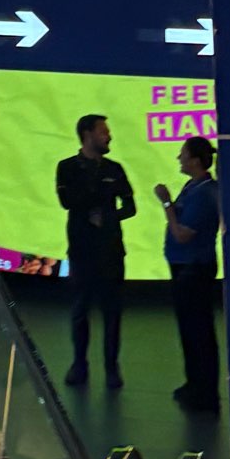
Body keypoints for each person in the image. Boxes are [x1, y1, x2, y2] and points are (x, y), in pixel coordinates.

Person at [55, 113, 134, 388]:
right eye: (103, 132)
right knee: (80, 309)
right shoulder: (67, 167)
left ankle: (112, 367)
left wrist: (108, 217)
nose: (109, 136)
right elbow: (67, 200)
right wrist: (96, 203)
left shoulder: (115, 169)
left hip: (111, 250)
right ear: (87, 135)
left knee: (112, 311)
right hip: (81, 250)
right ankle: (79, 364)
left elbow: (130, 206)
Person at [156, 134, 222, 415]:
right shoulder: (195, 187)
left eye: (183, 153)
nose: (179, 158)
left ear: (195, 160)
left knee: (198, 331)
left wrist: (166, 204)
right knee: (189, 330)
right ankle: (194, 384)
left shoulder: (205, 193)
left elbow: (182, 234)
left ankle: (205, 392)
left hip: (194, 268)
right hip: (186, 267)